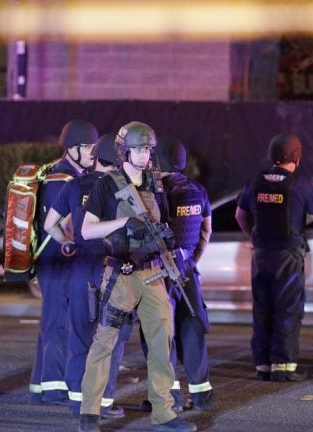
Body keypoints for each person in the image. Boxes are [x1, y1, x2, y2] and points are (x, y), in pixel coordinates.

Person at [78, 122, 196, 432]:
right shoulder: (106, 185)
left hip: (154, 273)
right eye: (139, 149)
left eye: (148, 150)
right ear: (124, 151)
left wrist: (167, 239)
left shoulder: (156, 184)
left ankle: (164, 413)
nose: (145, 155)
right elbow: (87, 230)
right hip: (121, 275)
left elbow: (163, 224)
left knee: (161, 344)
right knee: (104, 343)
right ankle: (89, 414)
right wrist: (123, 227)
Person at [44, 134, 131, 418]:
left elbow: (49, 225)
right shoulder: (122, 188)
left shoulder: (74, 185)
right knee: (110, 336)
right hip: (112, 267)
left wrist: (66, 242)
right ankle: (103, 401)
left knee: (80, 333)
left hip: (81, 267)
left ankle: (77, 400)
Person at [235, 133, 313, 382]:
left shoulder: (255, 180)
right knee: (287, 309)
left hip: (261, 255)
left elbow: (240, 214)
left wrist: (255, 235)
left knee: (262, 310)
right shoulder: (300, 183)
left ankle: (262, 365)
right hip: (288, 256)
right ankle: (282, 367)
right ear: (296, 155)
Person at [29, 119, 98, 405]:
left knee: (53, 321)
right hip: (58, 259)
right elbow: (63, 224)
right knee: (59, 323)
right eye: (88, 147)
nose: (93, 152)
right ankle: (54, 387)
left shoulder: (54, 174)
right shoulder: (65, 180)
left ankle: (41, 383)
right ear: (72, 149)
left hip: (51, 260)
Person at [158, 138, 214, 410]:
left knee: (161, 334)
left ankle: (170, 400)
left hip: (160, 272)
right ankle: (201, 396)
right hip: (188, 269)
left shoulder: (155, 192)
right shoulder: (198, 191)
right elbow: (206, 231)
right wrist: (192, 261)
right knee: (193, 329)